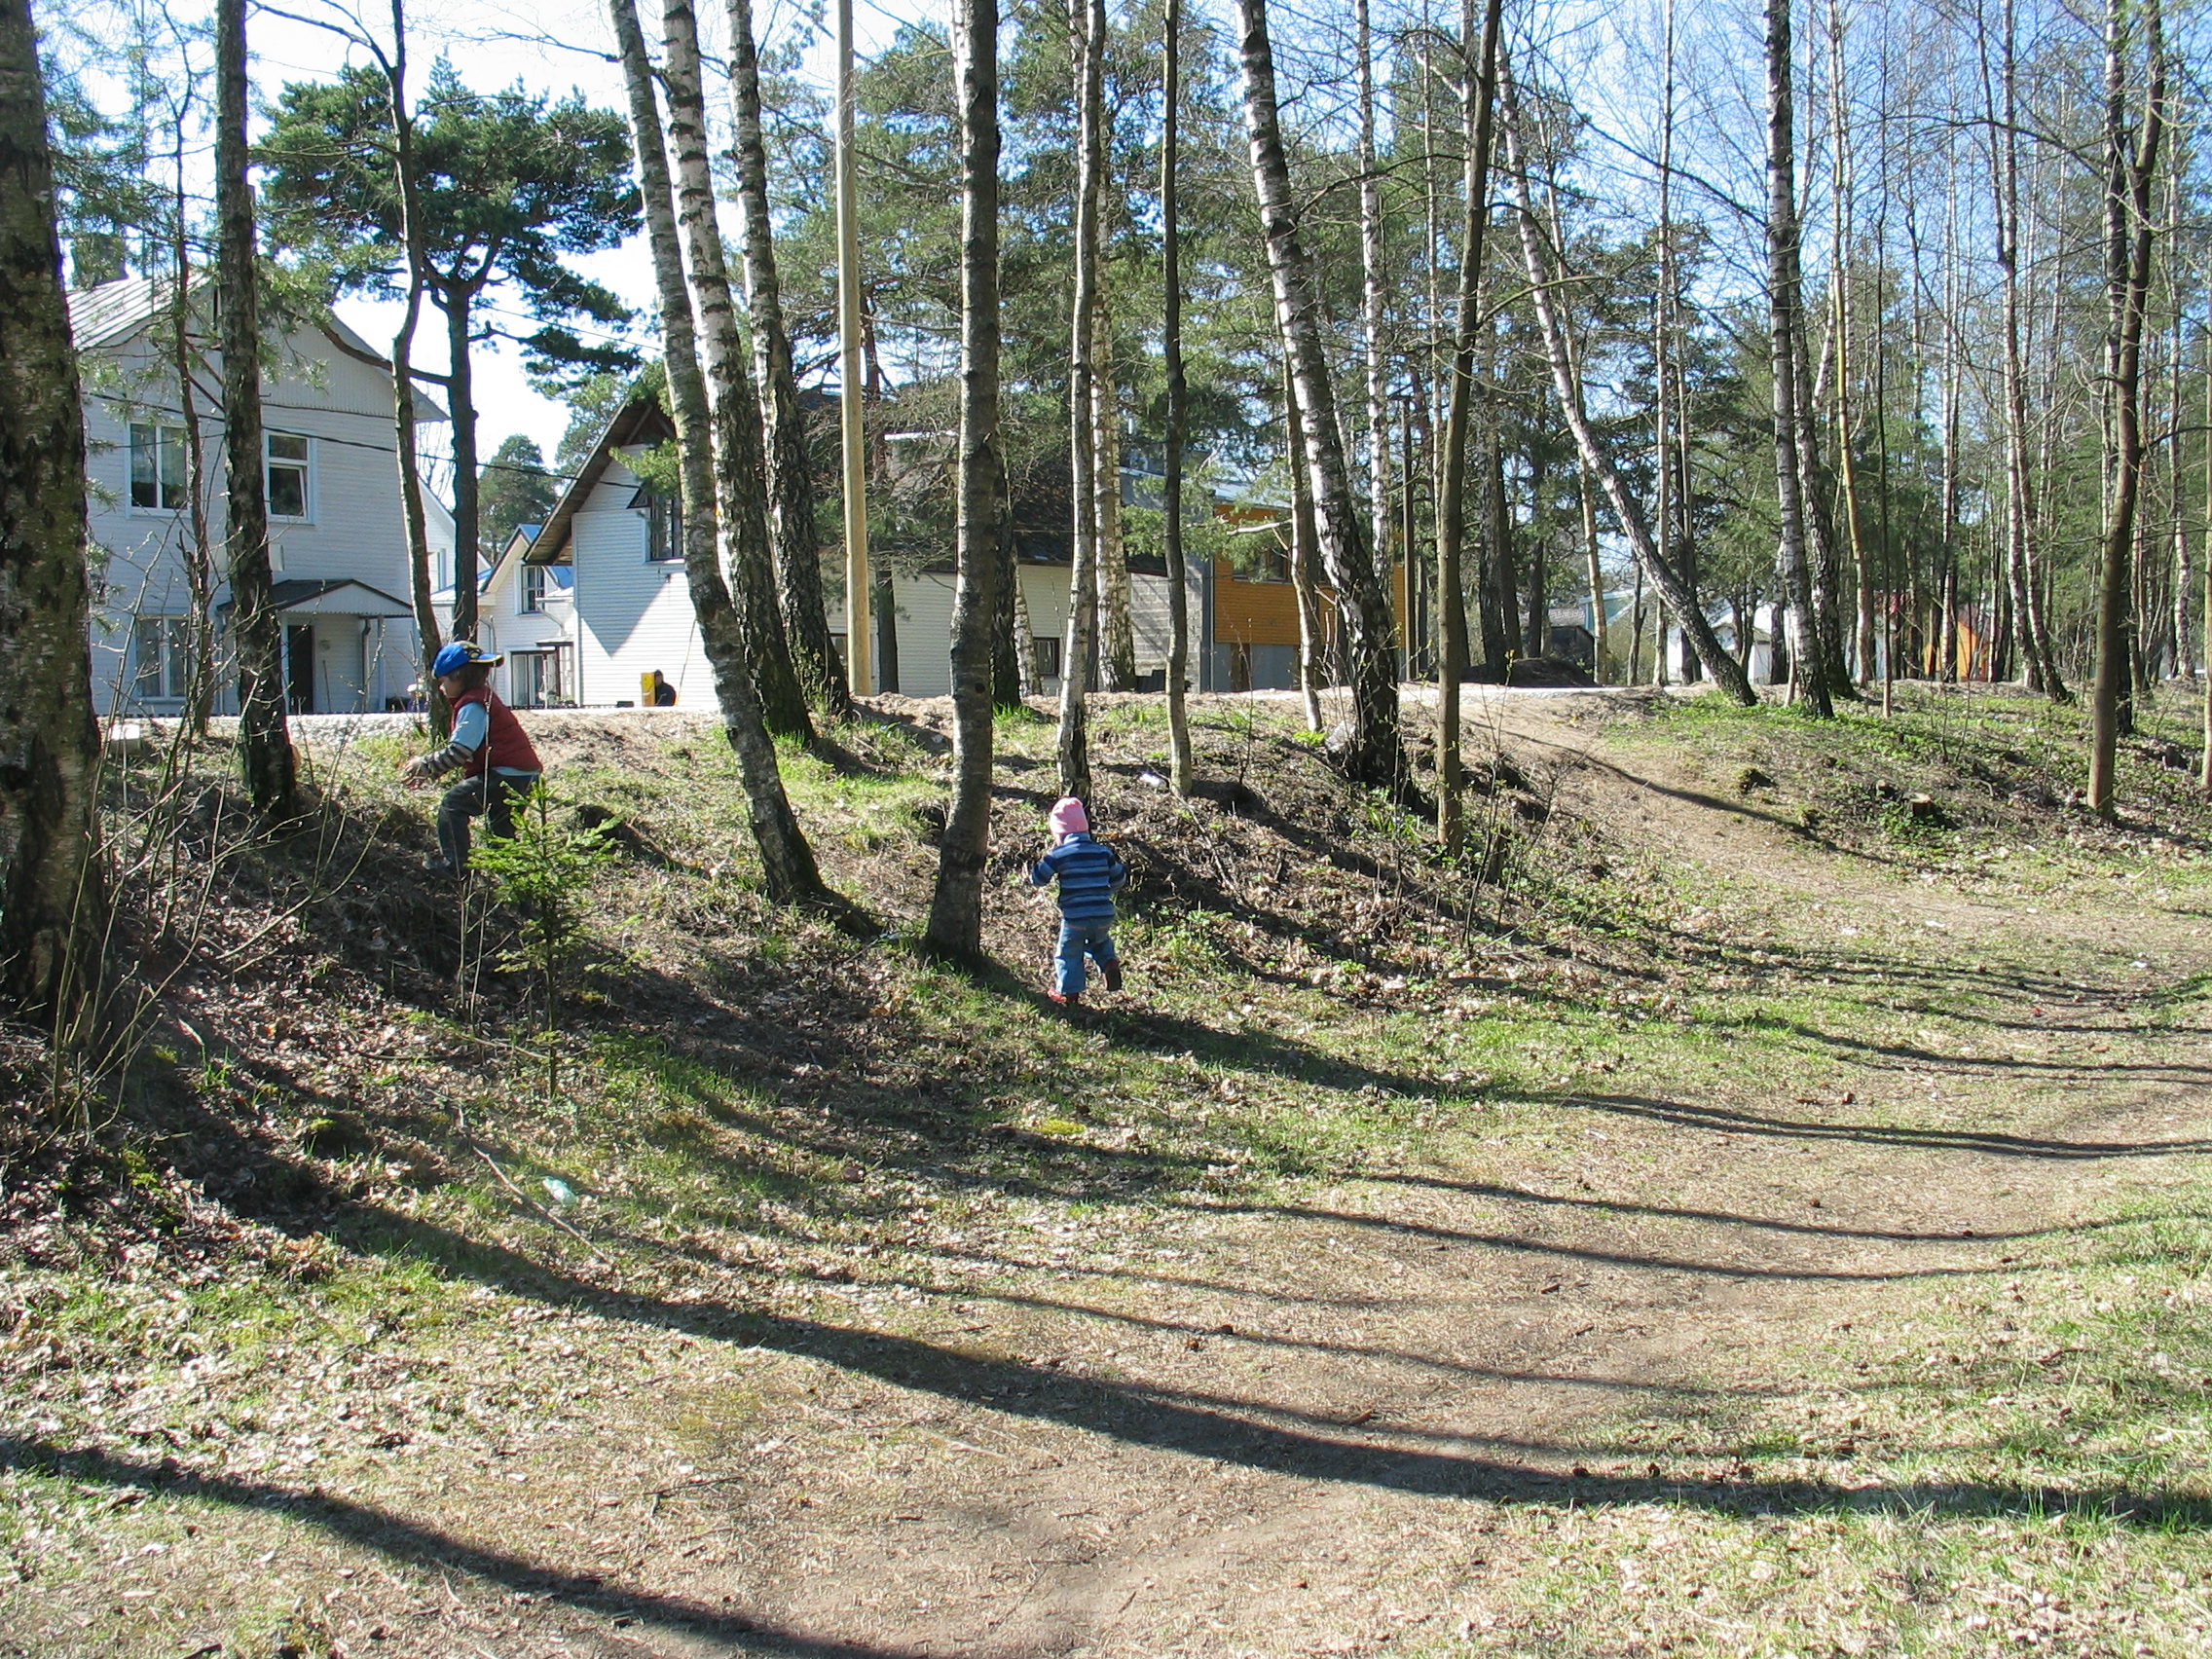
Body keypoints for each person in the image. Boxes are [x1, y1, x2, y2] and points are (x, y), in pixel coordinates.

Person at [398, 642, 543, 878]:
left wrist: (424, 765)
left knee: (453, 804)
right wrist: (432, 772)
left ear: (458, 676)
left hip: (506, 774)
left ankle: (455, 869)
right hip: (524, 774)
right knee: (501, 832)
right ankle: (514, 882)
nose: (441, 687)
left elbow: (460, 750)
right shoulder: (483, 698)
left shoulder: (472, 704)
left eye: (443, 681)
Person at [1028, 796, 1126, 1007]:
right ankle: (1109, 962)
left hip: (1075, 917)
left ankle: (1068, 993)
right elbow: (1119, 878)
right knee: (1099, 942)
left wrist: (1039, 866)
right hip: (1103, 914)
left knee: (1068, 953)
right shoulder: (1103, 852)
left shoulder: (1059, 854)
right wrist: (1105, 892)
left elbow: (1039, 879)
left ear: (1060, 832)